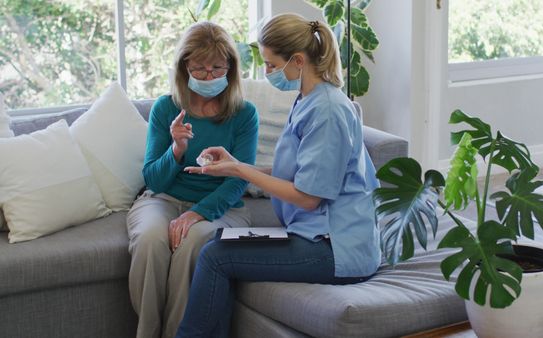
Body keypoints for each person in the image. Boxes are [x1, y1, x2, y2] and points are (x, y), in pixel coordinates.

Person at [175, 13, 381, 337]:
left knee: (215, 257)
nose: (267, 72)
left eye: (271, 65)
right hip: (315, 236)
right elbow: (299, 173)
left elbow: (309, 197)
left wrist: (240, 170)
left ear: (297, 60)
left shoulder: (327, 111)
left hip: (336, 249)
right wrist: (235, 162)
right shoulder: (307, 99)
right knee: (219, 245)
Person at [126, 21, 258, 338]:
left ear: (231, 68)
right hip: (163, 199)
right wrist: (177, 149)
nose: (209, 76)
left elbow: (239, 179)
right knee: (150, 241)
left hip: (221, 207)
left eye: (217, 68)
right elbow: (153, 180)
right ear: (184, 68)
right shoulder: (165, 108)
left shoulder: (244, 114)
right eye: (199, 69)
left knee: (193, 243)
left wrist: (196, 213)